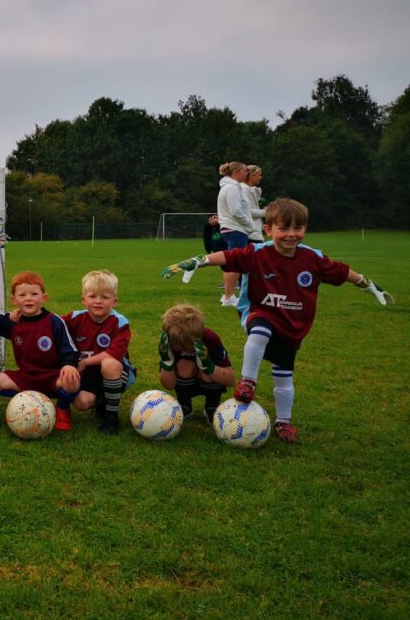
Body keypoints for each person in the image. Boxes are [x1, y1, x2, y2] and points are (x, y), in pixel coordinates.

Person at [162, 197, 394, 442]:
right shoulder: (257, 253)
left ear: (305, 229)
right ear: (268, 229)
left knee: (284, 377)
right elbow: (228, 257)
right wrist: (200, 261)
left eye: (298, 228)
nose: (291, 234)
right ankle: (248, 382)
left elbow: (341, 271)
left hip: (292, 326)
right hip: (258, 311)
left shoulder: (313, 258)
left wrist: (366, 284)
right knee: (260, 331)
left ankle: (283, 422)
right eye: (284, 228)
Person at [0, 271, 81, 431]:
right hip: (26, 377)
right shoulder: (13, 322)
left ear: (44, 297)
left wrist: (69, 365)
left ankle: (62, 408)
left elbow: (70, 350)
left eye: (34, 294)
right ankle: (27, 400)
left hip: (52, 376)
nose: (28, 298)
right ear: (14, 300)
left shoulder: (54, 321)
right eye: (22, 295)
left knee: (72, 381)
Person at [62, 270, 136, 434]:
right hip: (89, 374)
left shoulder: (119, 322)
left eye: (105, 297)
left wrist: (85, 362)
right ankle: (101, 400)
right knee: (81, 403)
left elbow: (112, 354)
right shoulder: (75, 318)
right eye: (92, 296)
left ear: (114, 301)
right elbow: (52, 324)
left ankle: (111, 417)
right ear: (83, 300)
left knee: (109, 364)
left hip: (117, 372)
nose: (98, 301)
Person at [158, 304, 234, 423]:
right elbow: (169, 385)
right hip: (186, 378)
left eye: (186, 347)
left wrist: (209, 367)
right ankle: (184, 404)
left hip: (207, 379)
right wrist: (167, 362)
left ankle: (212, 405)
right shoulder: (169, 340)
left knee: (206, 372)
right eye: (178, 348)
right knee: (184, 365)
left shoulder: (210, 338)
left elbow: (230, 380)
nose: (182, 351)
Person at [216, 161, 254, 307]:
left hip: (231, 229)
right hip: (236, 229)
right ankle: (228, 297)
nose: (247, 173)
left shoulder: (230, 187)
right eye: (245, 170)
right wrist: (249, 225)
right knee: (236, 263)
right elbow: (236, 211)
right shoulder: (232, 188)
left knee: (231, 262)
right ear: (236, 172)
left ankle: (228, 296)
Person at [241, 165, 265, 243]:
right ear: (252, 175)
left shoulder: (251, 190)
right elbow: (248, 211)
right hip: (249, 233)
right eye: (259, 175)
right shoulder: (243, 190)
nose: (261, 177)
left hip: (254, 232)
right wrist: (267, 212)